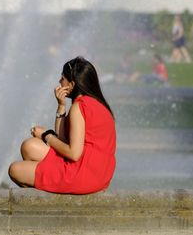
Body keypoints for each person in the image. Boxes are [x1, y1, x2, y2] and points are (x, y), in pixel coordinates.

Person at [8, 56, 116, 194]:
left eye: (62, 78)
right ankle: (47, 184)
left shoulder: (79, 107)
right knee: (29, 146)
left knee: (15, 169)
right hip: (99, 174)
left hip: (81, 174)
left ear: (71, 84)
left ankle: (45, 200)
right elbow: (64, 140)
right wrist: (61, 107)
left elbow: (73, 153)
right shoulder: (99, 105)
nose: (59, 82)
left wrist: (46, 136)